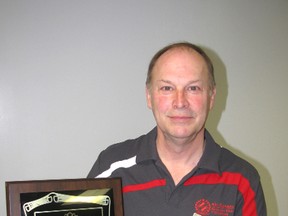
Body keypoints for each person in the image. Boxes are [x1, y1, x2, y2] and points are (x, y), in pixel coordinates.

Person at [87, 42, 266, 216]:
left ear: (211, 97)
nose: (180, 102)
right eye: (167, 88)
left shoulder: (243, 180)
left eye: (193, 88)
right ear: (149, 97)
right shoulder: (110, 168)